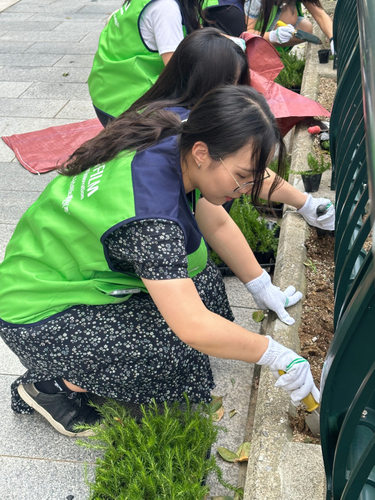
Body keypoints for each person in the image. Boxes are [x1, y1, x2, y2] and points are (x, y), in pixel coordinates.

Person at [0, 85, 319, 437]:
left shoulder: (182, 128)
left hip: (63, 269)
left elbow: (213, 217)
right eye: (243, 177)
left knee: (205, 290)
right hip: (35, 311)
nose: (246, 188)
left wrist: (261, 285)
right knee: (171, 350)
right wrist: (274, 354)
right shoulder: (151, 220)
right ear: (202, 153)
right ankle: (52, 386)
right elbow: (193, 327)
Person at [127, 28, 335, 232]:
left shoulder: (163, 110)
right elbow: (218, 216)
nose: (234, 93)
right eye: (230, 83)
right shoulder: (179, 133)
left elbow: (244, 171)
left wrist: (305, 203)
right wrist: (305, 203)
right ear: (201, 79)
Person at [88, 0, 248, 127]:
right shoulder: (165, 8)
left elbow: (196, 31)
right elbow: (181, 73)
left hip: (105, 88)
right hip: (123, 103)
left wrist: (233, 40)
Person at [244, 0, 333, 51]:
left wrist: (333, 39)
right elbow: (247, 32)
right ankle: (265, 52)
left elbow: (320, 15)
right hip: (254, 34)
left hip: (270, 25)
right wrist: (272, 36)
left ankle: (278, 54)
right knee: (288, 14)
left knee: (306, 28)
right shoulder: (256, 1)